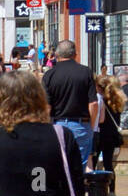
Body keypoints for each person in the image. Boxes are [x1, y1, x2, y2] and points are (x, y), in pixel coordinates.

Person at [41, 40, 98, 168]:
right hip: (81, 124)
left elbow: (46, 106)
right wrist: (91, 125)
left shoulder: (49, 75)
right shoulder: (86, 72)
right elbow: (93, 104)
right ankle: (77, 187)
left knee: (59, 166)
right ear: (75, 54)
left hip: (57, 124)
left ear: (57, 55)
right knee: (79, 167)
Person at [92, 73, 126, 196]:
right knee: (108, 164)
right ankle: (112, 192)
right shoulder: (116, 100)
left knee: (93, 162)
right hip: (111, 136)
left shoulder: (99, 100)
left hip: (100, 134)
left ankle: (94, 190)